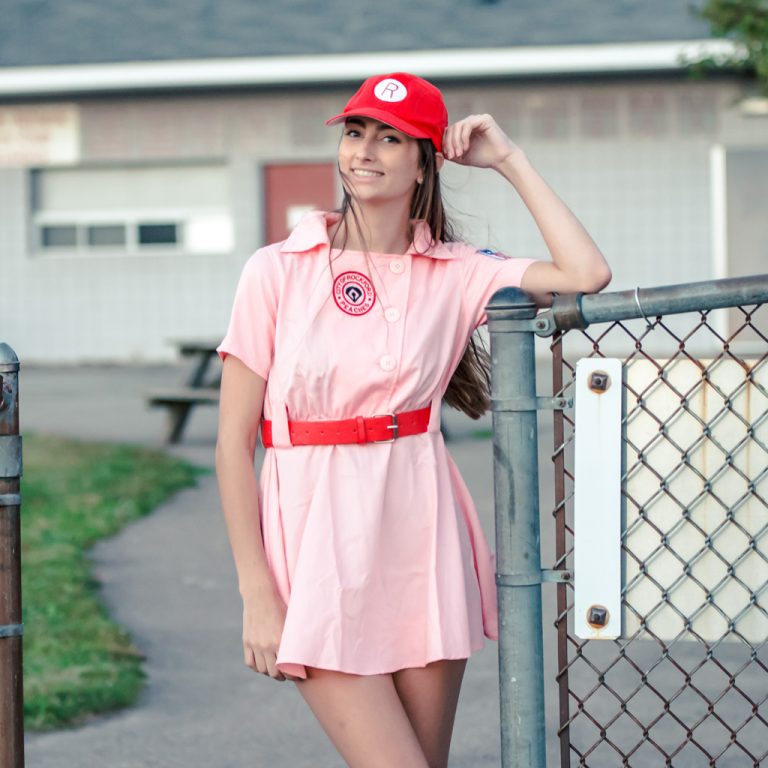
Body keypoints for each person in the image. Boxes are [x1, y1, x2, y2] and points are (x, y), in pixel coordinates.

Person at [215, 72, 611, 768]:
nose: (364, 151)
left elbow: (585, 274)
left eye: (390, 138)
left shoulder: (457, 271)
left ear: (427, 160)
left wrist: (510, 161)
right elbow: (231, 443)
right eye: (355, 132)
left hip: (421, 542)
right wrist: (256, 593)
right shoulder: (277, 269)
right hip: (312, 542)